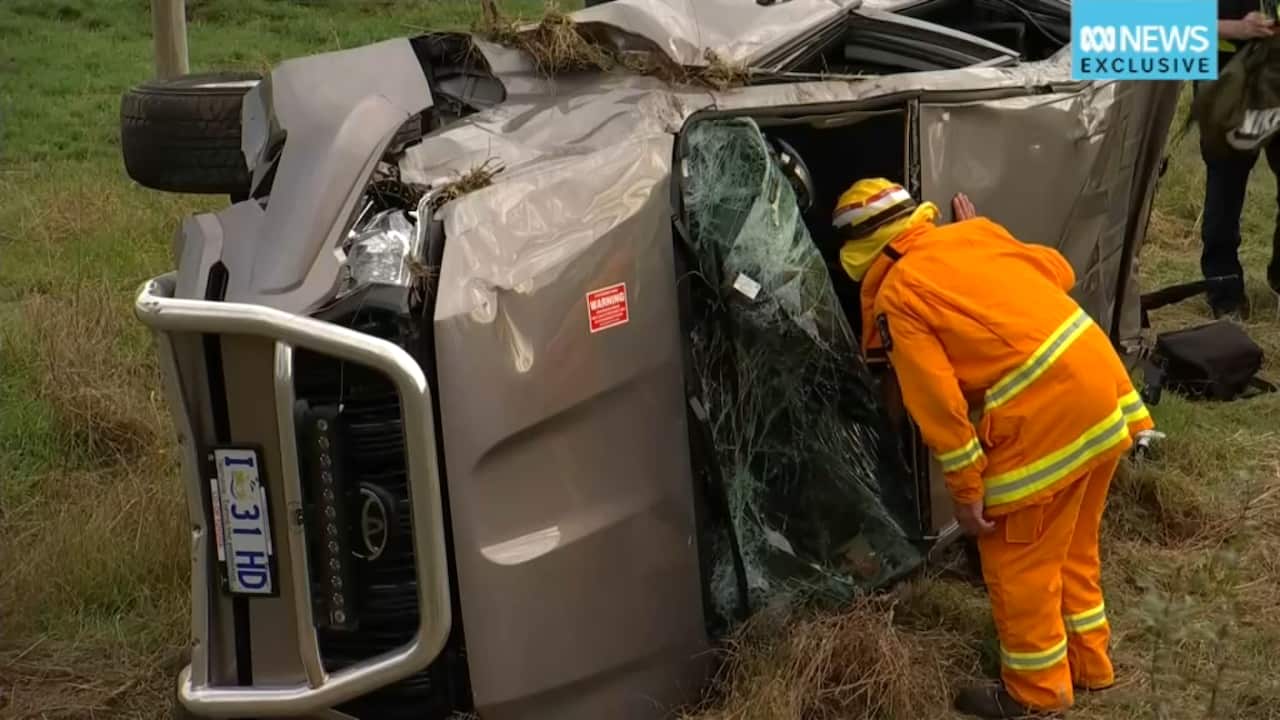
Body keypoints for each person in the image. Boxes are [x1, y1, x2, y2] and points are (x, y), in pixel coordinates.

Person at [832, 179, 1155, 718]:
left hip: (1049, 411)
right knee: (1072, 546)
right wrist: (984, 240)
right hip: (1105, 386)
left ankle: (1035, 693)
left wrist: (966, 492)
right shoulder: (972, 235)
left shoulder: (898, 297)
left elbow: (940, 409)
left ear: (861, 257)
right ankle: (1090, 664)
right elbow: (1058, 271)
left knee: (1017, 560)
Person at [1200, 3, 1277, 319]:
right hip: (1227, 71)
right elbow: (1158, 15)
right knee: (1226, 183)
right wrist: (1235, 28)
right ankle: (1224, 290)